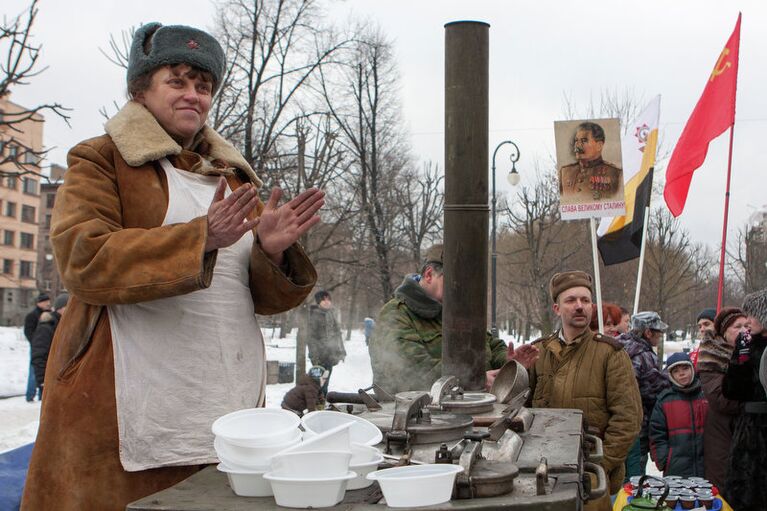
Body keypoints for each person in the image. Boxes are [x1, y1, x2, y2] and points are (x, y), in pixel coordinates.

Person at [21, 23, 322, 511]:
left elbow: (262, 301)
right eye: (177, 81)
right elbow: (84, 259)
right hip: (126, 409)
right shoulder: (101, 160)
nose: (193, 95)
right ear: (140, 89)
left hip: (226, 403)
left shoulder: (234, 174)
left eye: (203, 86)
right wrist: (199, 238)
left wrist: (270, 252)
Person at [527, 271, 642, 511]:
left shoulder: (610, 353)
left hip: (590, 481)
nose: (579, 306)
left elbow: (628, 419)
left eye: (585, 300)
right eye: (571, 300)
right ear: (557, 308)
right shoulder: (538, 352)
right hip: (539, 477)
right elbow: (519, 411)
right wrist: (513, 369)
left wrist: (598, 466)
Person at [369, 244, 517, 395]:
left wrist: (507, 360)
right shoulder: (395, 315)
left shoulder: (455, 313)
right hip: (416, 416)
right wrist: (474, 379)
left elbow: (490, 345)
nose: (460, 290)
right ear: (428, 275)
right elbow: (411, 375)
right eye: (454, 282)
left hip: (468, 411)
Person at [722, 290, 767, 511]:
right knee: (745, 494)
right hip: (750, 433)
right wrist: (739, 361)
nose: (747, 321)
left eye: (753, 315)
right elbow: (731, 391)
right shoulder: (748, 345)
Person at [697, 307, 747, 496]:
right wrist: (752, 404)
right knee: (725, 489)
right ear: (724, 332)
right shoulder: (712, 355)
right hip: (722, 433)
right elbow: (720, 399)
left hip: (748, 433)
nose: (744, 330)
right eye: (737, 326)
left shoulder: (752, 353)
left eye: (746, 325)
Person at [617, 311, 671, 479]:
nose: (661, 336)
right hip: (637, 427)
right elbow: (654, 391)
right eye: (658, 332)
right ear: (648, 333)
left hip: (616, 426)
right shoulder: (644, 356)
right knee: (634, 479)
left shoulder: (618, 346)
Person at [649, 352, 708, 477]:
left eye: (685, 368)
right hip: (676, 469)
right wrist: (664, 460)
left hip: (706, 467)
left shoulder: (706, 396)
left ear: (692, 369)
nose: (681, 373)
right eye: (676, 371)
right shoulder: (665, 400)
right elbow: (657, 434)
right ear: (671, 375)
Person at [558, 122, 622, 203]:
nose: (578, 145)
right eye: (576, 141)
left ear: (599, 146)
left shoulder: (616, 174)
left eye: (584, 141)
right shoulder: (564, 172)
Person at [29, 293, 69, 398]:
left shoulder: (65, 326)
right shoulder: (47, 327)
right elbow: (39, 353)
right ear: (60, 309)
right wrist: (42, 379)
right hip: (50, 379)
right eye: (67, 307)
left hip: (63, 379)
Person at [307, 290, 345, 395]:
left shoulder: (331, 314)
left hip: (330, 355)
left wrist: (341, 351)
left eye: (328, 299)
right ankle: (316, 404)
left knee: (325, 382)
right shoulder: (314, 315)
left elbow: (337, 334)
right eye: (324, 300)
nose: (327, 302)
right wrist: (315, 357)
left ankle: (321, 403)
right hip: (319, 355)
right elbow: (311, 338)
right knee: (319, 382)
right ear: (319, 302)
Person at [23, 293, 49, 402]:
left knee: (43, 371)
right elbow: (28, 331)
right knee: (34, 371)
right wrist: (35, 343)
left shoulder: (48, 314)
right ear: (40, 302)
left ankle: (41, 395)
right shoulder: (32, 316)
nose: (48, 303)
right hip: (37, 347)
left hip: (44, 346)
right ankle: (30, 395)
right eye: (46, 301)